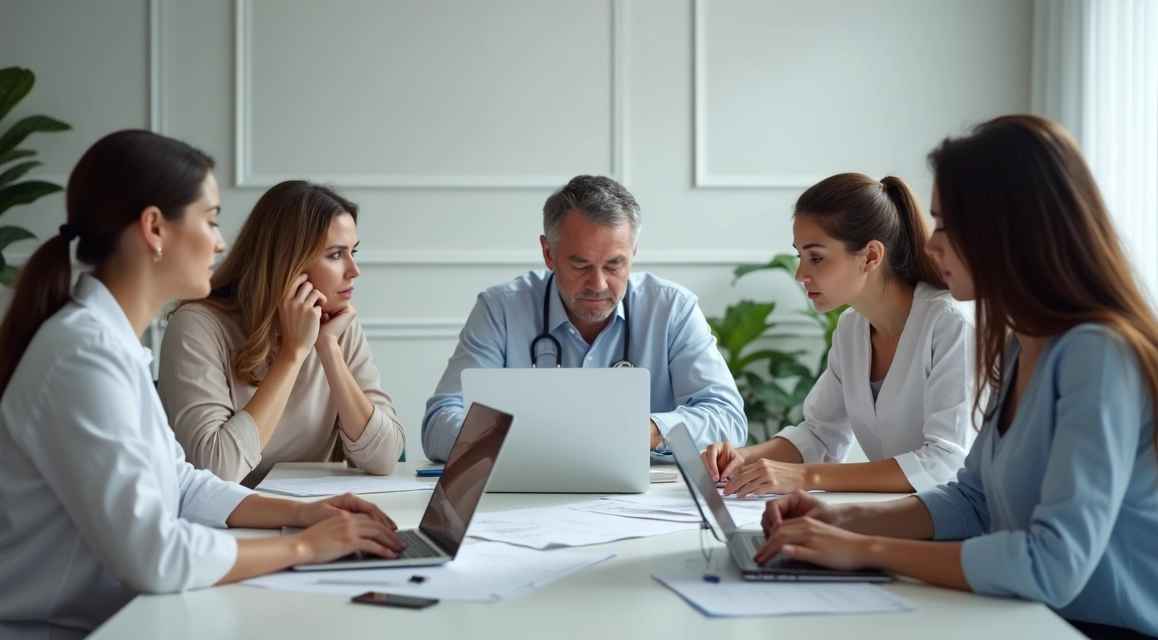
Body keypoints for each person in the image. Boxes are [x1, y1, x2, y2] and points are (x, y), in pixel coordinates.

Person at [0, 131, 404, 640]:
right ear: (155, 228)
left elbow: (181, 483)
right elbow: (154, 557)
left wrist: (305, 513)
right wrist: (306, 547)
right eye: (210, 220)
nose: (223, 242)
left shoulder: (109, 344)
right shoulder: (82, 356)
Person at [755, 115, 1158, 639]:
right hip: (1028, 617)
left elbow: (1051, 564)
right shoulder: (1021, 345)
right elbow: (974, 500)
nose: (931, 244)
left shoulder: (1096, 355)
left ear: (1009, 227)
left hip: (1096, 628)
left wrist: (865, 550)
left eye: (946, 224)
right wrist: (843, 519)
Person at [421, 175, 747, 462]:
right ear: (549, 253)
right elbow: (439, 423)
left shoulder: (672, 309)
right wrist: (528, 441)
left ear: (633, 254)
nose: (598, 284)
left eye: (614, 265)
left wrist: (649, 431)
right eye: (580, 265)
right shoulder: (501, 311)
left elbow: (728, 419)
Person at [702, 173, 975, 495]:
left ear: (871, 256)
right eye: (800, 256)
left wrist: (806, 477)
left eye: (816, 257)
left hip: (960, 528)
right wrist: (739, 458)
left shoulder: (951, 323)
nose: (801, 275)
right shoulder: (852, 327)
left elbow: (943, 464)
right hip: (895, 516)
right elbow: (820, 434)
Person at [159, 181, 404, 487]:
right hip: (222, 525)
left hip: (309, 516)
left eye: (353, 252)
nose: (354, 270)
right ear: (288, 262)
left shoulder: (337, 328)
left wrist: (328, 348)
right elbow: (216, 470)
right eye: (336, 255)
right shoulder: (197, 326)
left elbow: (385, 458)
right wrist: (293, 353)